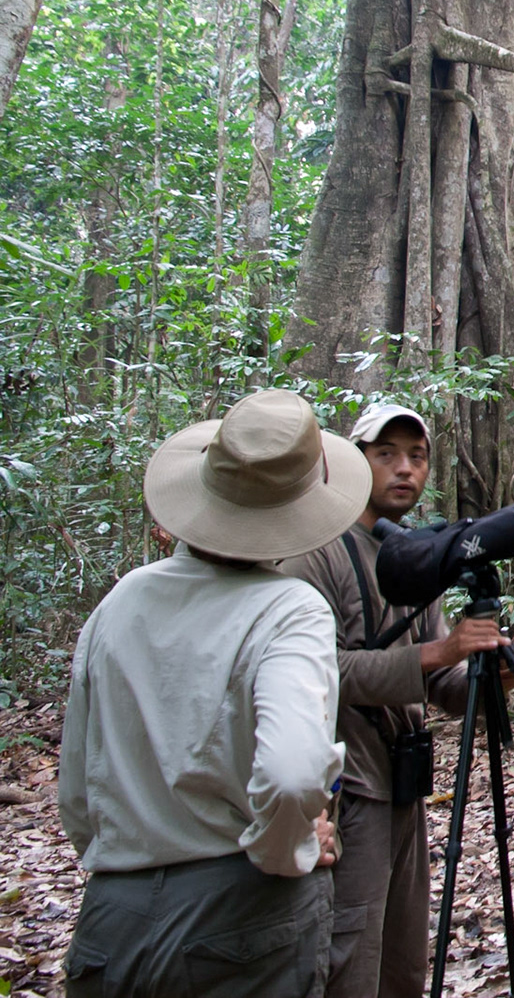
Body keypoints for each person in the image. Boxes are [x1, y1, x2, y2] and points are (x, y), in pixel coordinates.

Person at [59, 388, 371, 998]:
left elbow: (77, 786)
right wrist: (290, 849)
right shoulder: (290, 609)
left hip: (110, 919)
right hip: (241, 917)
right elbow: (289, 776)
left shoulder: (120, 601)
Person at [282, 404, 511, 998]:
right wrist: (442, 653)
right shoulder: (317, 554)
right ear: (355, 463)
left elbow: (437, 686)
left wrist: (492, 682)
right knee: (350, 957)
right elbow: (319, 672)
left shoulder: (415, 560)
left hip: (404, 788)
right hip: (346, 790)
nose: (404, 469)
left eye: (417, 456)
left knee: (404, 961)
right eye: (386, 455)